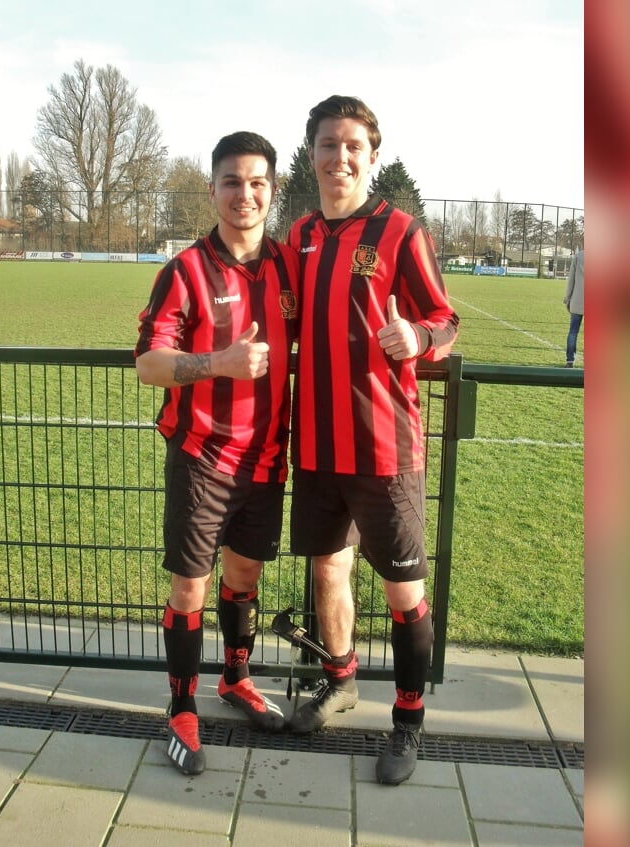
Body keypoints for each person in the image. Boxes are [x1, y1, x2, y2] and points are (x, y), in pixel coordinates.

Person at [283, 95, 459, 785]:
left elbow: (445, 321)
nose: (340, 157)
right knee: (328, 571)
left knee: (403, 591)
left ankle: (409, 720)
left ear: (372, 155)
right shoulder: (297, 237)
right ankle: (341, 679)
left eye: (353, 145)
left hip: (386, 452)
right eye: (328, 145)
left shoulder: (401, 233)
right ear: (313, 154)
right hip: (318, 451)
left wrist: (418, 336)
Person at [133, 131, 298, 776]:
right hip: (203, 455)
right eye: (232, 181)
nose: (245, 194)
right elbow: (149, 363)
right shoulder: (185, 270)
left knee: (245, 579)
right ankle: (180, 705)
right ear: (213, 189)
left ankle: (234, 677)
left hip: (267, 458)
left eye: (257, 182)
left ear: (272, 191)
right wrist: (220, 363)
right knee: (189, 584)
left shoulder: (288, 268)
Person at [564, 248, 584, 367]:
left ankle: (570, 361)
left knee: (573, 332)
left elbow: (571, 279)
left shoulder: (578, 256)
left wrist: (567, 298)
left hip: (577, 300)